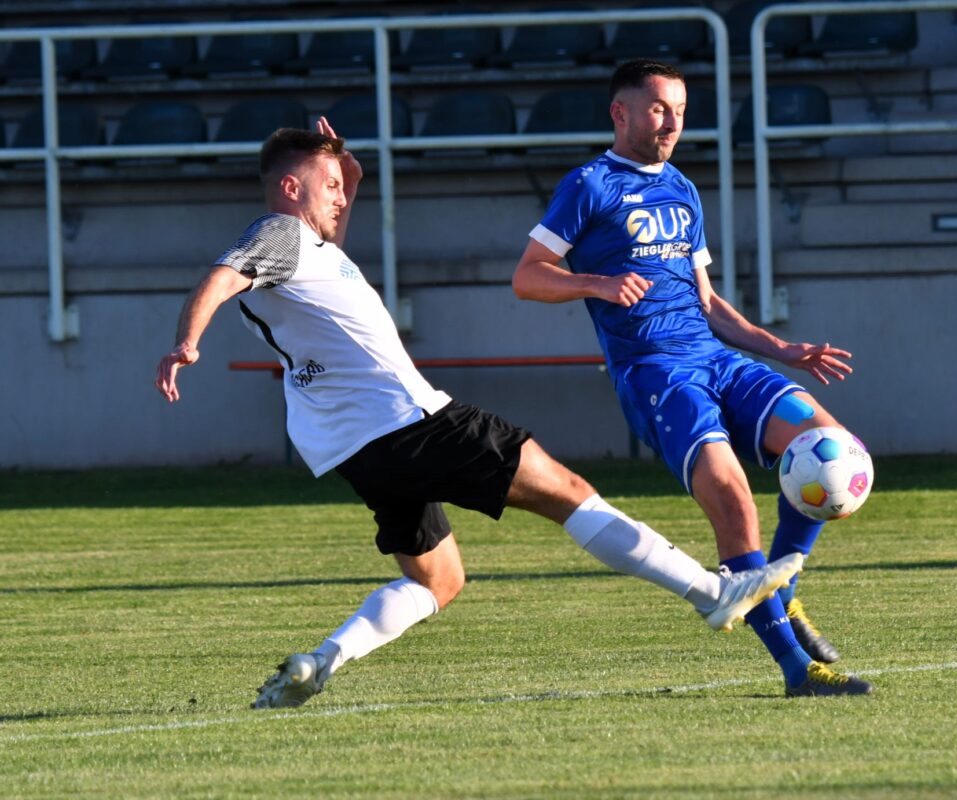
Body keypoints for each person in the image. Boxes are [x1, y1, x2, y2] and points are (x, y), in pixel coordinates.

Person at [154, 119, 806, 710]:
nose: (340, 198)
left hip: (357, 450)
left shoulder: (305, 251)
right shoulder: (278, 233)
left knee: (440, 579)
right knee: (569, 494)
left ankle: (319, 661)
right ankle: (713, 595)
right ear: (290, 188)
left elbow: (314, 253)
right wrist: (189, 342)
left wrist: (349, 170)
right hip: (411, 420)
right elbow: (223, 276)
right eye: (327, 186)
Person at [512, 59, 873, 697]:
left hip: (717, 359)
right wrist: (595, 282)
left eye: (680, 108)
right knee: (732, 499)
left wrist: (779, 347)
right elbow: (529, 274)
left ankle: (780, 594)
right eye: (658, 108)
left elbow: (706, 300)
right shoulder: (589, 185)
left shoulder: (681, 186)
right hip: (656, 373)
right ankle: (796, 667)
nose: (674, 121)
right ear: (620, 113)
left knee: (833, 449)